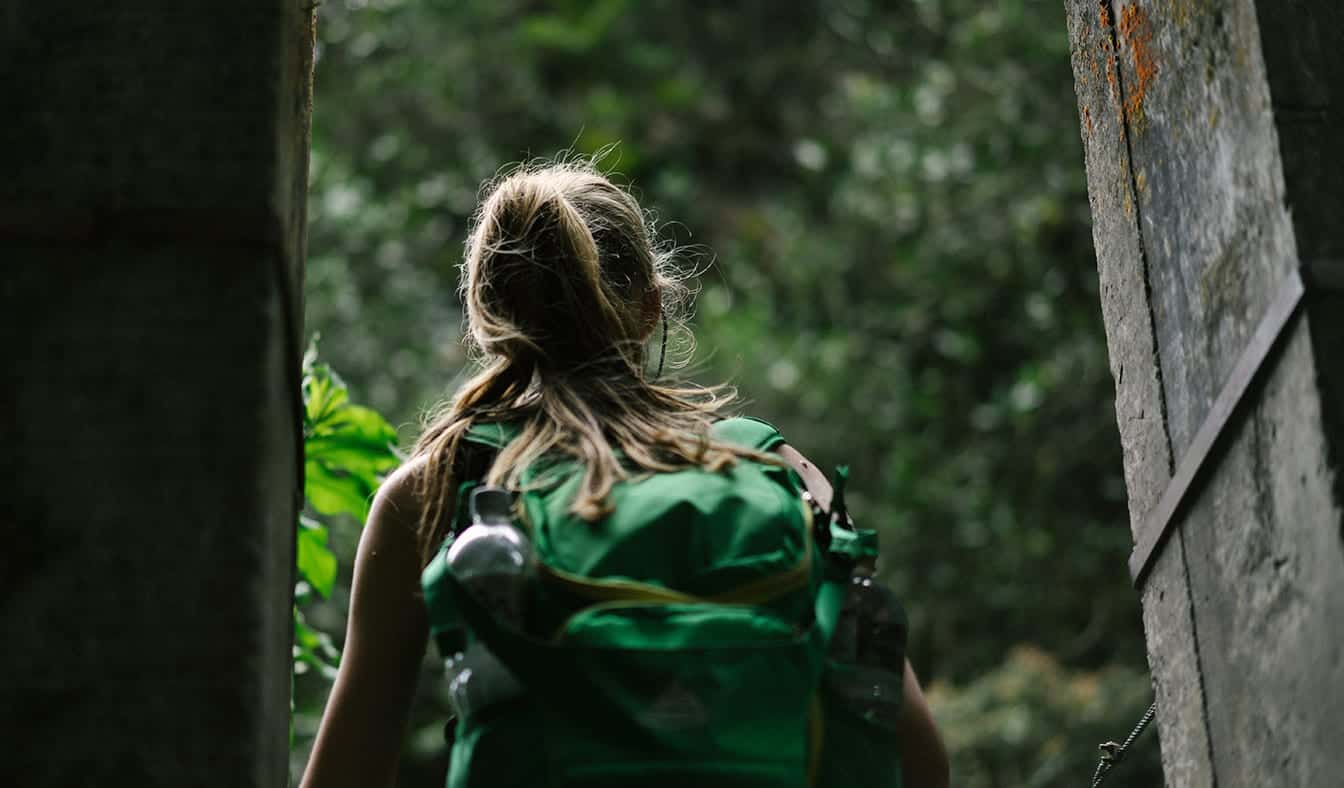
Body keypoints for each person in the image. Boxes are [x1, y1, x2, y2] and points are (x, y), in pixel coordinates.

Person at [299, 159, 949, 788]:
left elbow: (345, 776)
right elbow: (919, 758)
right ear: (652, 307)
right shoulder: (773, 467)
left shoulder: (438, 485)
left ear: (485, 316)